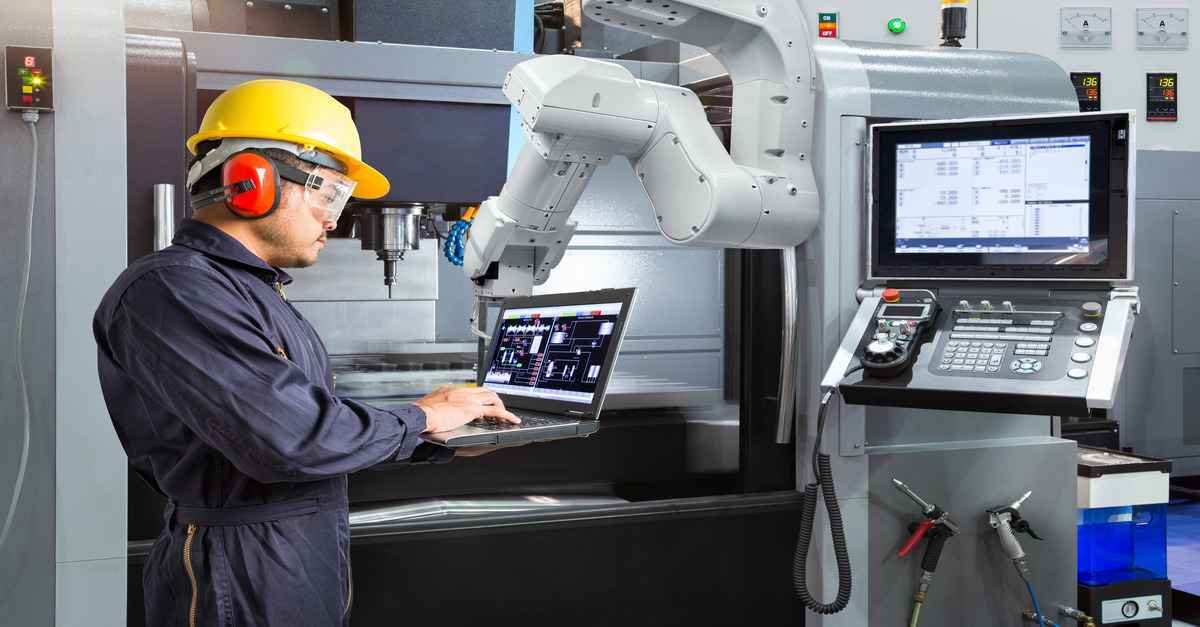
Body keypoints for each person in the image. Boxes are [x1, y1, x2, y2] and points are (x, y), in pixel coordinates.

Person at [93, 79, 519, 626]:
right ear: (253, 182)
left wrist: (436, 439)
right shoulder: (172, 289)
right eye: (330, 194)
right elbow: (294, 439)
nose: (334, 219)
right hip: (239, 573)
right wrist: (422, 417)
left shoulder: (252, 291)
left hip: (292, 556)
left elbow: (306, 429)